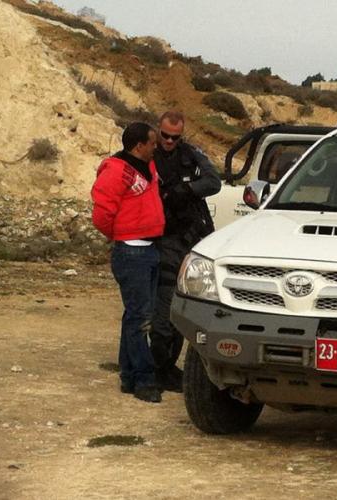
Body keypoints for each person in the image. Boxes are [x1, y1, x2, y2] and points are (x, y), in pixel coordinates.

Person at [91, 123, 165, 403]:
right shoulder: (117, 171)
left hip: (149, 248)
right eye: (152, 143)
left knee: (134, 315)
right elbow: (101, 215)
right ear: (139, 146)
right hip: (132, 252)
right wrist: (121, 234)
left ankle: (129, 375)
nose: (156, 147)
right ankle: (143, 379)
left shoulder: (149, 167)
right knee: (140, 318)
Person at [152, 111, 221, 392]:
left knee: (180, 303)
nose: (169, 141)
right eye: (165, 136)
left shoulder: (190, 155)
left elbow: (213, 182)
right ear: (158, 131)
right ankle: (158, 366)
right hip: (160, 237)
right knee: (162, 304)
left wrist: (187, 190)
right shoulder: (149, 156)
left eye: (174, 137)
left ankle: (167, 365)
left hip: (186, 237)